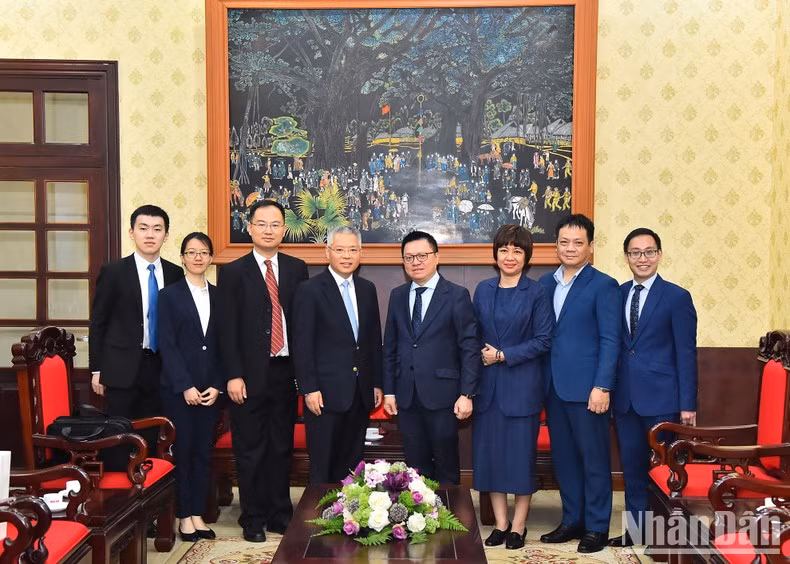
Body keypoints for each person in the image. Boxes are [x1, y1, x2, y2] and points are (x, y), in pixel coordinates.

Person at [217, 199, 309, 542]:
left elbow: (301, 322)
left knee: (280, 445)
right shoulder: (232, 271)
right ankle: (252, 517)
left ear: (283, 229)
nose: (269, 230)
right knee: (250, 448)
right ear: (250, 227)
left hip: (286, 372)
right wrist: (233, 374)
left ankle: (279, 513)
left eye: (275, 224)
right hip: (248, 375)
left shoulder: (297, 267)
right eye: (262, 224)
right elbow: (225, 329)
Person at [609, 228, 698, 548]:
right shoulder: (616, 294)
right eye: (635, 253)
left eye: (648, 252)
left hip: (663, 399)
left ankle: (665, 535)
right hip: (625, 399)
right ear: (627, 258)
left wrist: (688, 404)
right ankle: (636, 530)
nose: (642, 258)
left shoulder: (676, 297)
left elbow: (686, 353)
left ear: (659, 255)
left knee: (664, 471)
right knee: (632, 469)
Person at [538, 214, 620, 554]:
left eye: (578, 242)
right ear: (555, 244)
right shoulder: (543, 283)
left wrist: (602, 385)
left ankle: (597, 526)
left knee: (594, 459)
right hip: (553, 386)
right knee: (565, 458)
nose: (570, 248)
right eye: (564, 242)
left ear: (590, 246)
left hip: (589, 390)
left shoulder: (603, 285)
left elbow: (610, 340)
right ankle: (572, 520)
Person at [472, 225, 554, 550]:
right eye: (504, 250)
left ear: (526, 257)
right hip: (487, 388)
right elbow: (473, 333)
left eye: (517, 251)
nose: (510, 256)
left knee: (521, 459)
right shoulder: (482, 289)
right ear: (495, 254)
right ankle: (501, 523)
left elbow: (544, 339)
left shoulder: (536, 292)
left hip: (522, 387)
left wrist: (504, 356)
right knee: (490, 457)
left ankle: (519, 525)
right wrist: (481, 353)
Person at [382, 231, 479, 485]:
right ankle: (420, 522)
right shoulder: (398, 295)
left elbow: (469, 348)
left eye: (422, 255)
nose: (416, 261)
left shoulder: (457, 295)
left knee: (446, 464)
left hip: (444, 396)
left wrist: (466, 394)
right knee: (415, 467)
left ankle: (450, 518)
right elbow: (390, 346)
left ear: (437, 257)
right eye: (409, 257)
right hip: (406, 396)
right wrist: (390, 392)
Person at [292, 226, 383, 484]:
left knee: (353, 464)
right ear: (327, 252)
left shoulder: (367, 289)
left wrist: (376, 382)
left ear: (360, 253)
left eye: (352, 250)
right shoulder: (309, 290)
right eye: (340, 249)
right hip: (323, 394)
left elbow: (373, 339)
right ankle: (319, 521)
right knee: (323, 463)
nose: (346, 255)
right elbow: (302, 343)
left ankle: (348, 520)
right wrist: (309, 388)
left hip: (359, 392)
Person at [89, 204, 184, 449]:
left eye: (157, 229)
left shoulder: (175, 273)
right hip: (121, 369)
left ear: (166, 235)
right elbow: (99, 321)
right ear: (132, 232)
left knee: (155, 435)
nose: (150, 235)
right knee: (120, 437)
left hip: (161, 367)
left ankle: (152, 487)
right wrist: (97, 370)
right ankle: (122, 486)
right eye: (143, 228)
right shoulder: (114, 271)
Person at [158, 232, 222, 542]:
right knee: (182, 452)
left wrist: (218, 386)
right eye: (191, 252)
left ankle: (197, 513)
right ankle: (183, 516)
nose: (197, 257)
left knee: (202, 453)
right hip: (179, 390)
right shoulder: (168, 295)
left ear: (211, 258)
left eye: (203, 252)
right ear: (182, 257)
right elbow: (166, 345)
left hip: (211, 390)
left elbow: (226, 346)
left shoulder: (221, 295)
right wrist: (185, 386)